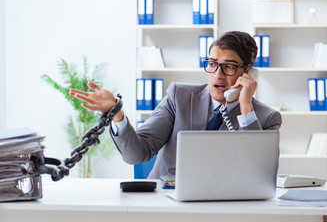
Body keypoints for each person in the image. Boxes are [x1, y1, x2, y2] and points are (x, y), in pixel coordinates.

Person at [69, 31, 282, 179]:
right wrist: (117, 113)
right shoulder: (178, 96)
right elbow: (137, 154)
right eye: (212, 64)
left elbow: (260, 173)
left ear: (247, 72)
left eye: (229, 67)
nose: (217, 74)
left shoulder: (267, 118)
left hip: (225, 205)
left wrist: (245, 107)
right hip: (166, 200)